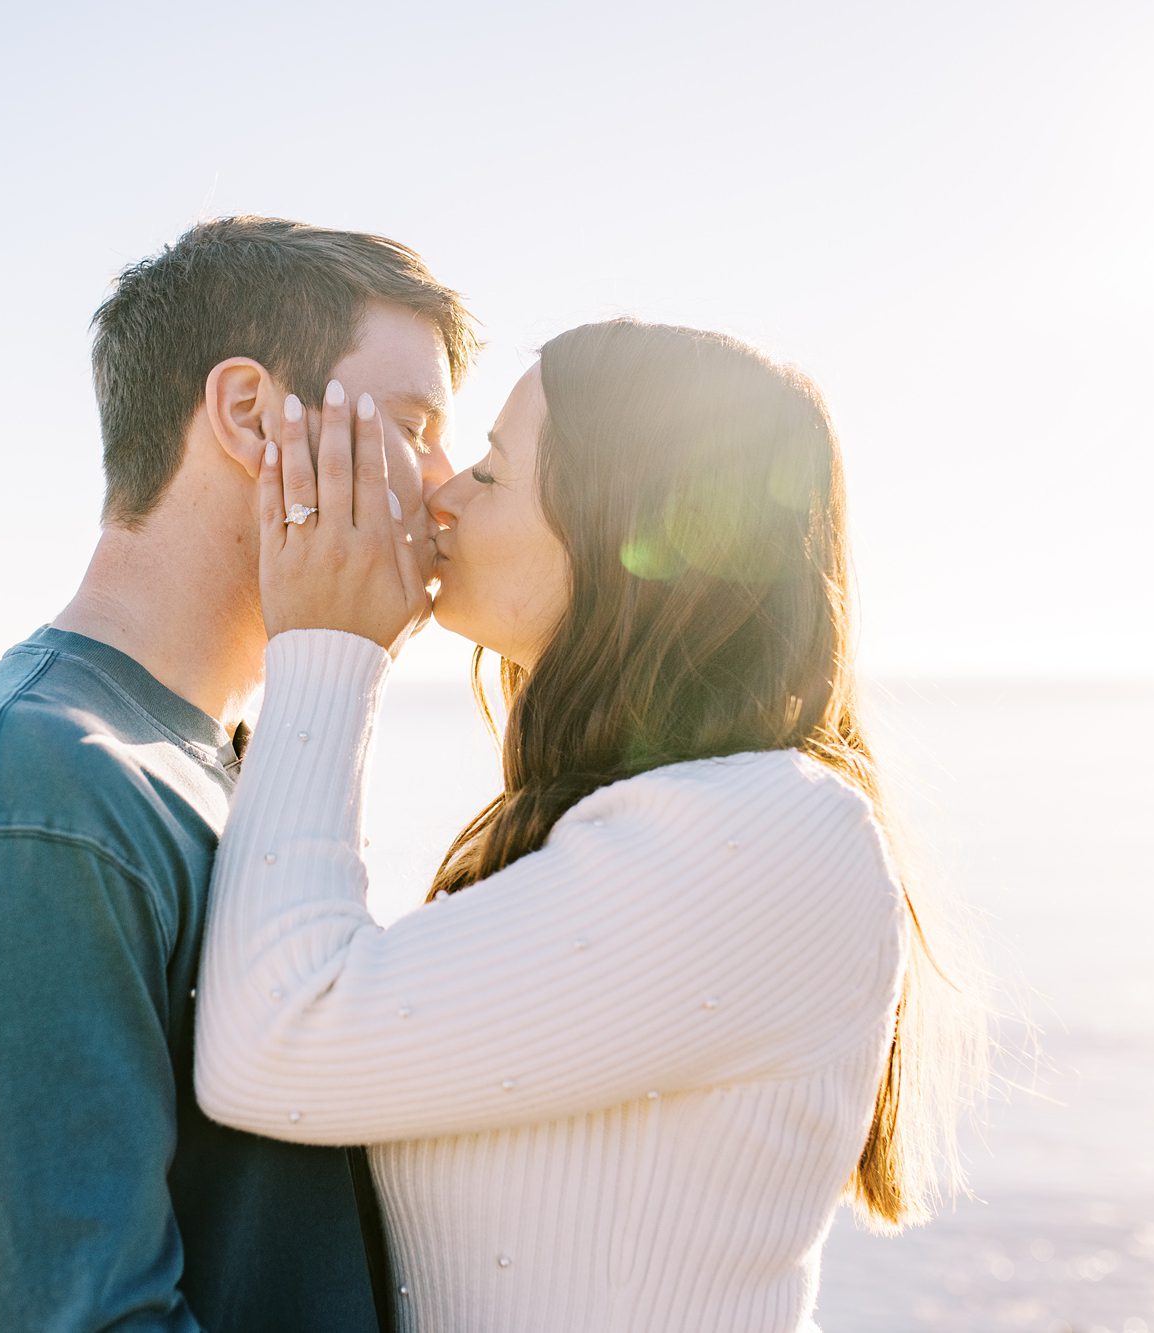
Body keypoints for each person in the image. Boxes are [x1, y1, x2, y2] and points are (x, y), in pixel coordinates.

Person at [194, 319, 987, 1331]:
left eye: (487, 472)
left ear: (633, 529)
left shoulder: (767, 834)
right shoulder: (639, 827)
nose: (439, 497)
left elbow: (277, 1044)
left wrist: (327, 651)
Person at [0, 215, 479, 1331]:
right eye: (411, 427)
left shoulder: (215, 768)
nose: (443, 486)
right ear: (246, 413)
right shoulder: (27, 798)